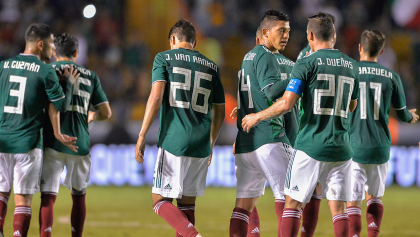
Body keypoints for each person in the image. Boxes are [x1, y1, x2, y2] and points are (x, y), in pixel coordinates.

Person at [242, 13, 359, 237]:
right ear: (334, 35)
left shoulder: (306, 62)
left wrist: (257, 116)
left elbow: (286, 104)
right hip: (342, 148)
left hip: (310, 146)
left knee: (293, 206)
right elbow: (352, 106)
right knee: (340, 211)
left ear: (310, 35)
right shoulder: (352, 65)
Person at [134, 19, 225, 237]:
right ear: (194, 42)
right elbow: (220, 111)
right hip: (201, 143)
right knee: (187, 206)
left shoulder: (163, 58)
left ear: (173, 39)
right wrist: (211, 143)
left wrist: (142, 134)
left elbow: (156, 96)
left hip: (174, 139)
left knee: (159, 200)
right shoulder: (211, 66)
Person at [0, 23, 77, 237]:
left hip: (2, 141)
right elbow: (60, 106)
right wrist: (68, 84)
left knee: (2, 194)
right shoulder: (44, 71)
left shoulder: (3, 66)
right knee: (23, 200)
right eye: (51, 45)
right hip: (28, 142)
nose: (53, 50)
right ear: (40, 44)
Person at [347, 29, 418, 237]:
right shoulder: (392, 76)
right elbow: (403, 114)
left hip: (354, 144)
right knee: (375, 198)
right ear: (382, 51)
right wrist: (410, 116)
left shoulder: (350, 72)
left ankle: (354, 235)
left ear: (360, 48)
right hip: (380, 146)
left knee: (353, 199)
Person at [39, 33, 112, 237]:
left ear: (54, 52)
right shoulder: (90, 76)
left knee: (48, 197)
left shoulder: (46, 71)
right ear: (77, 53)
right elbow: (107, 113)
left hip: (52, 141)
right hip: (80, 143)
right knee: (78, 196)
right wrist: (91, 116)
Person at [229, 10, 293, 237]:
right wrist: (295, 77)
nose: (286, 35)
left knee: (243, 207)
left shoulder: (246, 59)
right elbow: (272, 92)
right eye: (281, 30)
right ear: (264, 33)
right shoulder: (267, 56)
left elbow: (249, 98)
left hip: (247, 142)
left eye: (288, 31)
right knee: (289, 201)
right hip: (269, 137)